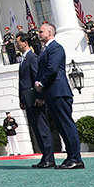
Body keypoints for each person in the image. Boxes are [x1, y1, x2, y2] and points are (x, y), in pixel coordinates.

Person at [34, 23, 83, 169]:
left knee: (67, 124)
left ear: (50, 33)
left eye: (41, 32)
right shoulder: (46, 49)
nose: (39, 34)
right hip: (52, 93)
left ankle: (76, 159)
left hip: (59, 91)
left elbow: (52, 69)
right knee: (61, 126)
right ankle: (70, 157)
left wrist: (41, 84)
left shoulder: (56, 47)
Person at [16, 31, 54, 168]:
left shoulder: (32, 58)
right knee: (36, 129)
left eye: (18, 42)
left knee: (42, 128)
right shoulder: (24, 59)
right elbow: (23, 81)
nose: (16, 45)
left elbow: (37, 78)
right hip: (28, 100)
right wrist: (21, 99)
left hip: (35, 99)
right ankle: (45, 157)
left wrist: (40, 97)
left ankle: (49, 158)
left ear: (25, 43)